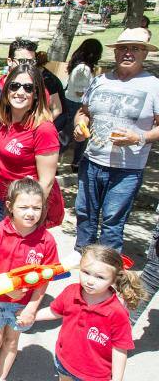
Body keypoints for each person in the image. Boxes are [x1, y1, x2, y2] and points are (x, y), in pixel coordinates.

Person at [73, 27, 159, 253]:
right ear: (116, 52)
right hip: (92, 161)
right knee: (84, 216)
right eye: (123, 48)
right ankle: (84, 263)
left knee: (112, 223)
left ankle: (107, 272)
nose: (128, 53)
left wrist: (138, 137)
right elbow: (83, 112)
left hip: (127, 169)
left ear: (145, 53)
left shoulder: (153, 85)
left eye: (135, 48)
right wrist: (79, 127)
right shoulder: (100, 80)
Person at [0, 177, 59, 381]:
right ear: (10, 206)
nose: (30, 213)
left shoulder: (46, 240)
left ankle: (1, 378)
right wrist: (4, 288)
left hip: (23, 305)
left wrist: (32, 307)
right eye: (23, 207)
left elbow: (44, 279)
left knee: (12, 342)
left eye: (36, 208)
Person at [35, 245, 144, 381]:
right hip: (64, 361)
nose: (90, 281)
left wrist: (117, 379)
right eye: (86, 272)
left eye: (100, 277)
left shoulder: (116, 313)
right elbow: (55, 311)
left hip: (95, 375)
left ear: (114, 279)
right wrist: (31, 316)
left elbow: (120, 349)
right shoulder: (71, 291)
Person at [0, 64, 60, 226]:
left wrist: (27, 215)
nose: (20, 92)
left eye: (28, 88)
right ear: (7, 90)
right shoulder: (4, 120)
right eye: (14, 86)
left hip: (18, 206)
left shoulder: (43, 129)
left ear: (36, 94)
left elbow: (46, 182)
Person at [65, 38, 103, 171]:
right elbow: (80, 92)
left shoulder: (80, 66)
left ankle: (75, 161)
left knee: (71, 135)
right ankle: (75, 162)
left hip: (74, 102)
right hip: (76, 105)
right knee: (72, 135)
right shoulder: (83, 69)